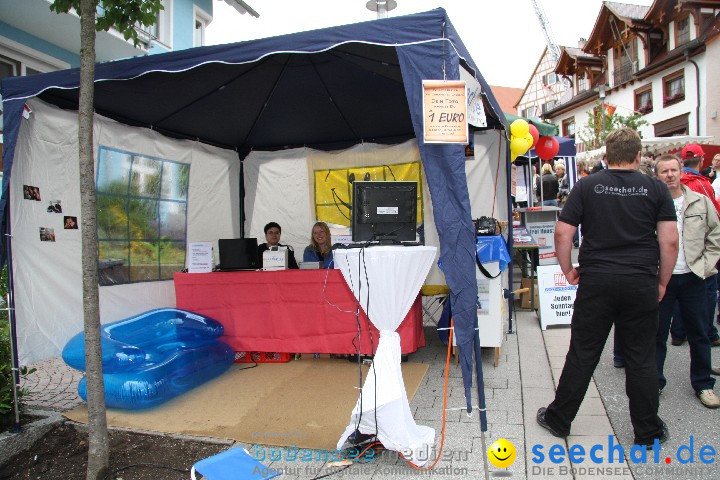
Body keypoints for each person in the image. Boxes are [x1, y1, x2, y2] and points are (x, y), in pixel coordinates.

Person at [536, 128, 677, 448]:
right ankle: (647, 432)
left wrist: (567, 269)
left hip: (596, 281)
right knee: (641, 358)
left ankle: (559, 419)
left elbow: (562, 233)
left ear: (606, 157)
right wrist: (662, 281)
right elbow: (670, 240)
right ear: (639, 157)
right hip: (640, 281)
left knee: (583, 353)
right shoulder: (656, 188)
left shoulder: (587, 186)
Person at [653, 154, 720, 408]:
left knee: (700, 333)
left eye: (673, 170)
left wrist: (706, 265)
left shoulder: (700, 202)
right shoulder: (652, 206)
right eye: (664, 171)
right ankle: (655, 383)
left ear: (681, 172)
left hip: (694, 277)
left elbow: (716, 234)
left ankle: (703, 384)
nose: (669, 175)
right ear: (656, 176)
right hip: (663, 280)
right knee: (657, 334)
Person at [670, 144, 720, 347]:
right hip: (696, 256)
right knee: (704, 294)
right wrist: (709, 261)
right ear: (701, 161)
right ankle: (707, 332)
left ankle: (679, 332)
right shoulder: (703, 185)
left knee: (677, 294)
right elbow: (715, 221)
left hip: (675, 257)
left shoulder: (675, 185)